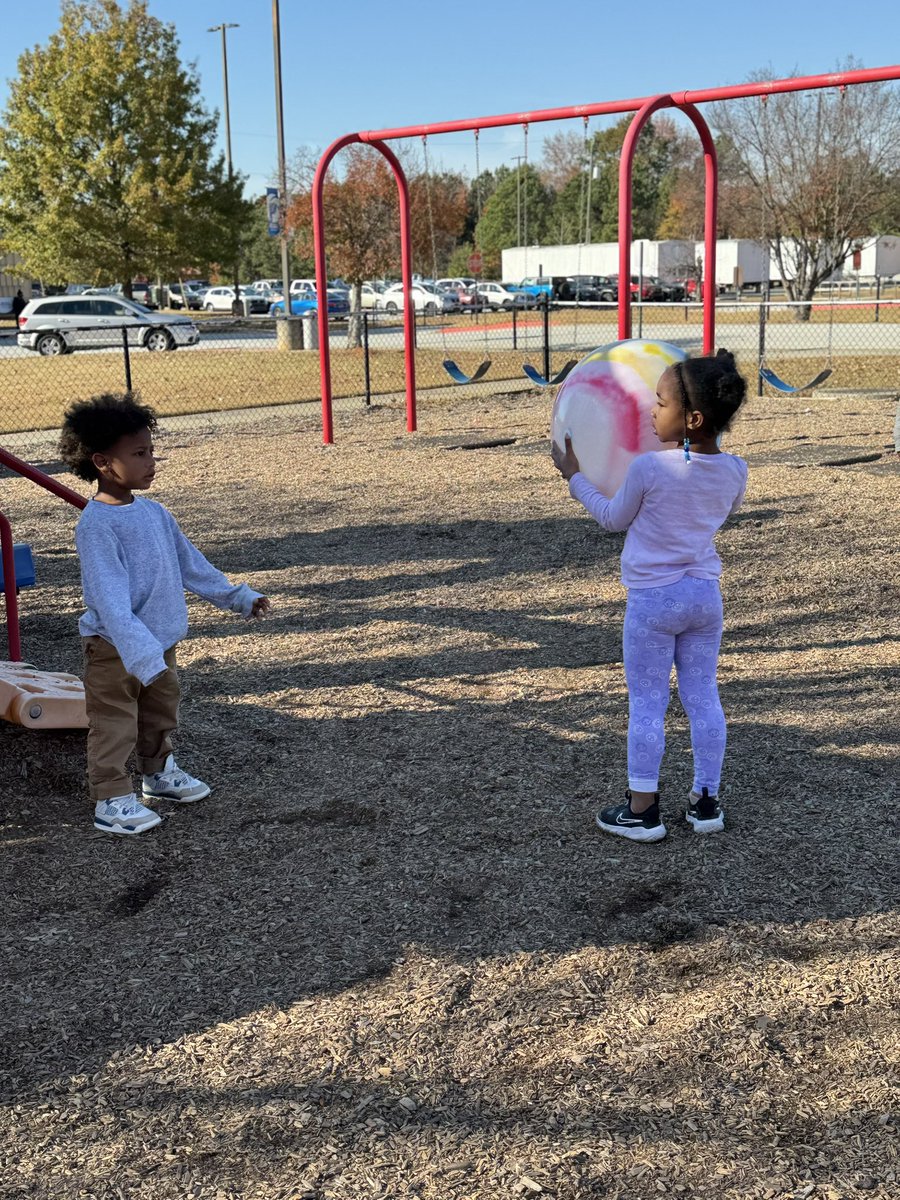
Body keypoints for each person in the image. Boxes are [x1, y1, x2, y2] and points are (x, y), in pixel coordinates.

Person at [551, 350, 748, 843]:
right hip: (705, 598)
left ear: (692, 418)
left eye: (660, 403)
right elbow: (713, 501)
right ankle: (706, 803)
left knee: (648, 703)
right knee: (703, 697)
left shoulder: (649, 469)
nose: (650, 411)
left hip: (653, 603)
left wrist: (574, 476)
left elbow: (613, 518)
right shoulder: (737, 472)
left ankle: (643, 811)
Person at [58, 394, 271, 836]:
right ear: (102, 462)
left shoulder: (155, 514)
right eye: (139, 454)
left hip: (158, 643)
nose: (151, 461)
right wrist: (141, 655)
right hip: (116, 649)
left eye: (151, 451)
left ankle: (157, 774)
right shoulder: (97, 526)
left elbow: (192, 565)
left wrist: (237, 597)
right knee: (114, 723)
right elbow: (110, 602)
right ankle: (112, 797)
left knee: (159, 715)